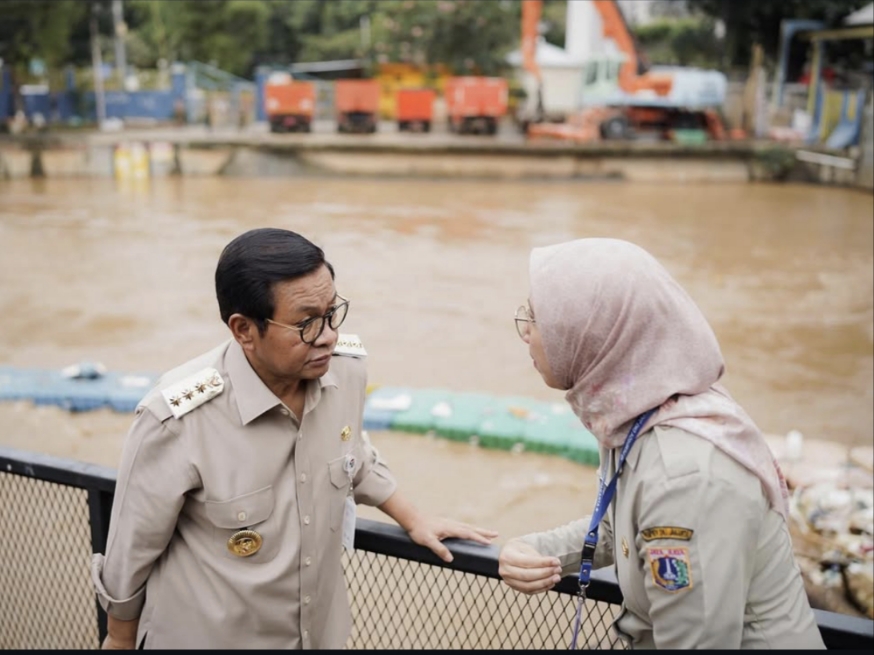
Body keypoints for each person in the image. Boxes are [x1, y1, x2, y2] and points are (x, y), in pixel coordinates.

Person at [91, 227, 498, 649]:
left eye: (331, 313)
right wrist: (120, 641)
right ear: (244, 329)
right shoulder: (176, 419)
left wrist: (415, 519)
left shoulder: (345, 371)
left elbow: (353, 457)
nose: (327, 336)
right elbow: (131, 548)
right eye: (305, 323)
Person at [497, 238, 825, 650]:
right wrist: (537, 552)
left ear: (591, 333)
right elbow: (624, 525)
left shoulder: (683, 477)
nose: (525, 332)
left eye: (537, 317)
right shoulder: (637, 413)